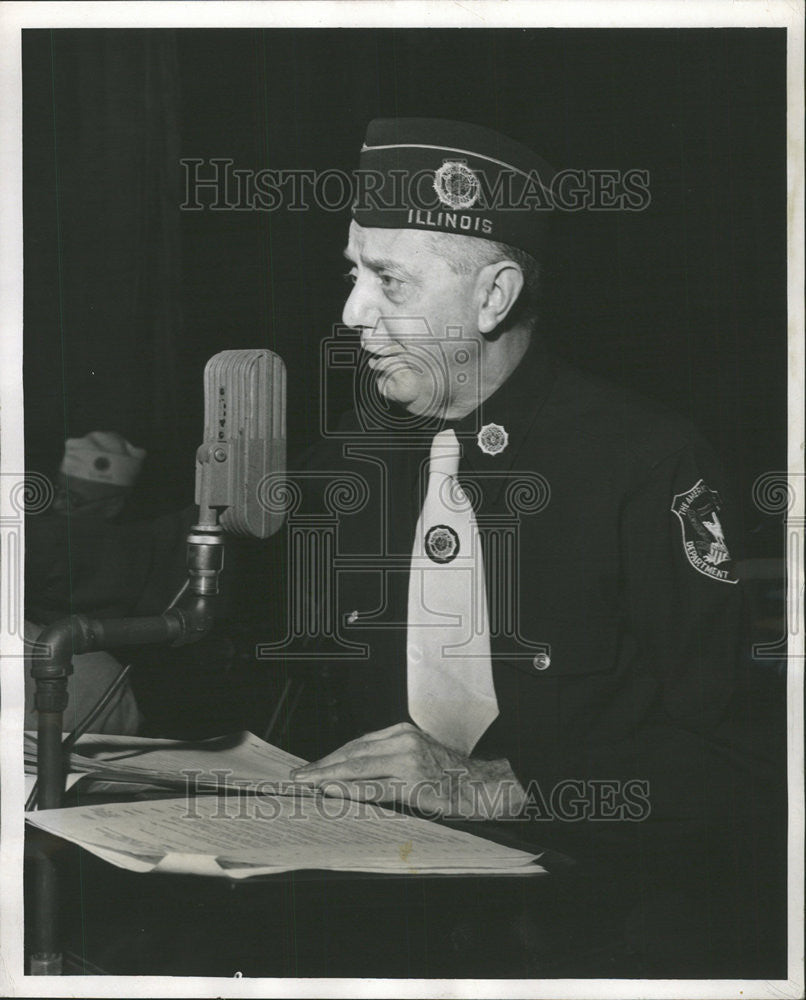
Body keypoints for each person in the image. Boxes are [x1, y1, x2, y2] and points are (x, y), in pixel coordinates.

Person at [276, 119, 784, 974]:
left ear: (494, 297)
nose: (351, 314)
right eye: (351, 275)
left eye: (388, 280)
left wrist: (498, 783)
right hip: (373, 921)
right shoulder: (344, 468)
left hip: (592, 927)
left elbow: (739, 754)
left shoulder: (646, 462)